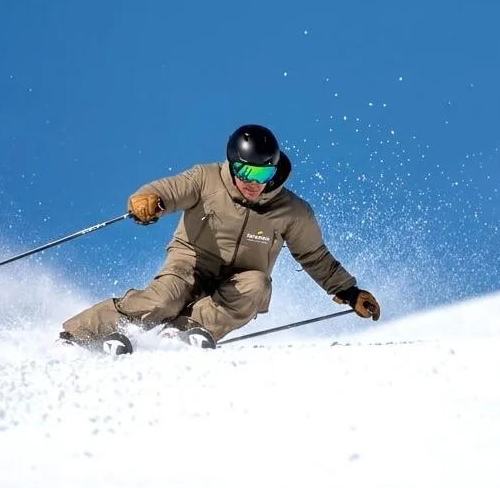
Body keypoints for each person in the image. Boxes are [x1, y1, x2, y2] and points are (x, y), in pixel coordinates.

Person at [58, 123, 380, 354]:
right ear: (233, 165)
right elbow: (168, 191)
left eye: (264, 175)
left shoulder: (293, 211)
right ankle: (77, 335)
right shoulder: (206, 178)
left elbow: (315, 257)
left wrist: (349, 292)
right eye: (248, 173)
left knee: (259, 285)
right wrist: (148, 201)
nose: (255, 184)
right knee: (165, 298)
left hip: (239, 280)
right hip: (191, 262)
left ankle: (182, 332)